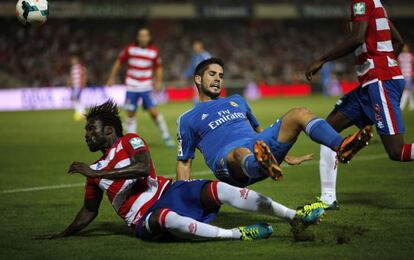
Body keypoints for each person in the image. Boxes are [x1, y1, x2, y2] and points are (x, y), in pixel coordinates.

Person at [33, 100, 325, 241]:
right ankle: (236, 234)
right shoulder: (94, 172)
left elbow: (142, 168)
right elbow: (88, 211)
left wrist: (98, 174)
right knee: (167, 218)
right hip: (144, 218)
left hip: (169, 191)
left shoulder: (129, 141)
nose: (86, 135)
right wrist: (61, 234)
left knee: (220, 188)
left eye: (90, 129)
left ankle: (295, 216)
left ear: (108, 130)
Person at [176, 58, 372, 188]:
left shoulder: (237, 100)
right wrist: (181, 199)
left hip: (258, 147)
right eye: (212, 74)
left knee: (298, 113)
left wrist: (285, 155)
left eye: (221, 76)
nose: (218, 79)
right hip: (229, 163)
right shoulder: (187, 119)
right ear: (198, 79)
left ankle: (341, 146)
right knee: (240, 153)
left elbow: (259, 132)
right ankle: (260, 163)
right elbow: (184, 162)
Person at [305, 0, 414, 209]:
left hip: (380, 81)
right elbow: (398, 41)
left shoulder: (361, 2)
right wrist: (386, 64)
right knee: (327, 129)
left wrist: (322, 59)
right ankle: (328, 198)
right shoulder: (376, 4)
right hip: (372, 83)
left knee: (396, 151)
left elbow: (356, 38)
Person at [106, 27, 174, 148]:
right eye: (141, 35)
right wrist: (111, 77)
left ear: (149, 37)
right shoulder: (130, 49)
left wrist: (159, 81)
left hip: (146, 87)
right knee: (131, 113)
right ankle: (133, 142)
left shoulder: (154, 51)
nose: (143, 38)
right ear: (138, 37)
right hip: (131, 87)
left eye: (145, 35)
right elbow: (119, 61)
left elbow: (159, 67)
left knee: (154, 112)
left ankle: (166, 136)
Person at [68, 54, 87, 121]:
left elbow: (84, 76)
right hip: (74, 86)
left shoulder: (81, 67)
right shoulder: (73, 68)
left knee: (74, 98)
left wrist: (84, 84)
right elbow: (71, 77)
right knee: (76, 99)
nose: (72, 61)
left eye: (73, 60)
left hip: (79, 86)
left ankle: (80, 113)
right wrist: (70, 84)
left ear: (77, 60)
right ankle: (81, 113)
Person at [398, 45, 414, 111]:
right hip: (402, 74)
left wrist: (412, 73)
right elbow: (398, 65)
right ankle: (412, 104)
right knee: (408, 90)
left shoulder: (410, 56)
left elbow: (413, 65)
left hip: (408, 74)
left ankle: (402, 104)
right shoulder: (400, 56)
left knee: (406, 90)